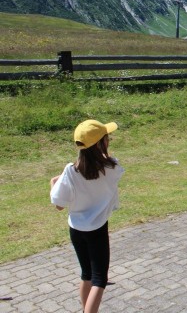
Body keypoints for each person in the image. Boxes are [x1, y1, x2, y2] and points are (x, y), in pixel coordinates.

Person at [50, 119, 125, 313]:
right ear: (101, 144)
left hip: (76, 230)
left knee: (87, 275)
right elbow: (103, 167)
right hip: (97, 230)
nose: (109, 140)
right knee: (99, 279)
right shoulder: (112, 167)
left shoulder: (71, 171)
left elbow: (59, 205)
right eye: (106, 138)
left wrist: (54, 183)